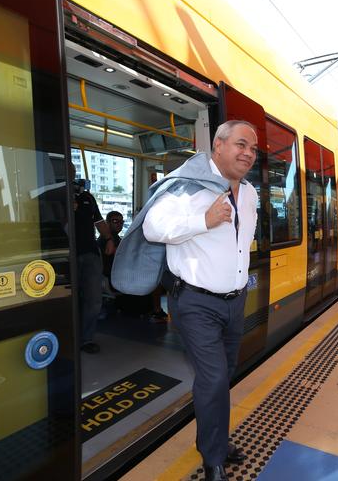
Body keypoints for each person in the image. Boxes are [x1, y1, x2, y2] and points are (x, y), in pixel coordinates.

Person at [113, 120, 258, 481]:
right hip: (195, 303)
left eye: (253, 149)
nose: (248, 154)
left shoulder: (251, 194)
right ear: (219, 146)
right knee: (212, 379)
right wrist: (203, 219)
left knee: (225, 374)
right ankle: (213, 460)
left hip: (235, 301)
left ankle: (217, 442)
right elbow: (153, 227)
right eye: (241, 144)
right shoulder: (186, 187)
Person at [70, 163, 115, 353]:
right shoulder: (54, 195)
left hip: (89, 252)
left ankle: (86, 339)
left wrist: (109, 238)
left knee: (93, 299)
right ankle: (68, 337)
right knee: (68, 300)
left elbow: (99, 222)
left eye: (71, 170)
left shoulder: (87, 197)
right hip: (66, 255)